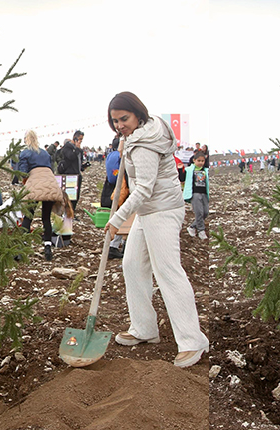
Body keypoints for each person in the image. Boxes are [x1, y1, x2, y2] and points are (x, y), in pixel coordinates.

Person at [105, 91, 209, 368]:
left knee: (168, 272)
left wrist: (117, 219)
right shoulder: (141, 134)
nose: (118, 125)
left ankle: (192, 340)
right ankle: (144, 328)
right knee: (132, 264)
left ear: (138, 113)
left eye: (123, 119)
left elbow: (144, 189)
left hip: (161, 210)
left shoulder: (144, 144)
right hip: (148, 210)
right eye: (115, 121)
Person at [17, 130, 66, 261]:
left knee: (28, 218)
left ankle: (22, 249)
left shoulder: (25, 152)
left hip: (35, 185)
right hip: (50, 183)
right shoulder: (44, 152)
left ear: (26, 139)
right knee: (46, 218)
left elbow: (22, 172)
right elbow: (51, 166)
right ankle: (48, 249)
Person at [101, 136, 124, 259]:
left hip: (110, 187)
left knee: (115, 215)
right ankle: (116, 246)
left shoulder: (110, 155)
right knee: (124, 216)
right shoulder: (121, 156)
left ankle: (113, 245)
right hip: (120, 187)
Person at [55, 133, 85, 211]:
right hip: (70, 174)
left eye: (82, 139)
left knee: (76, 195)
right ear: (75, 138)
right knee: (69, 195)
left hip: (77, 174)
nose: (80, 141)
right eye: (80, 139)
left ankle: (72, 211)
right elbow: (71, 157)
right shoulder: (67, 147)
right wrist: (77, 149)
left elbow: (79, 160)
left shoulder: (78, 149)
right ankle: (67, 212)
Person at [184, 153, 209, 240]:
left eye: (202, 161)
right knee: (199, 212)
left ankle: (192, 227)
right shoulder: (189, 170)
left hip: (204, 194)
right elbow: (182, 178)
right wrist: (180, 170)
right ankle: (201, 231)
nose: (201, 163)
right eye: (199, 160)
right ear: (194, 160)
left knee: (205, 212)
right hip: (195, 193)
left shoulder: (205, 170)